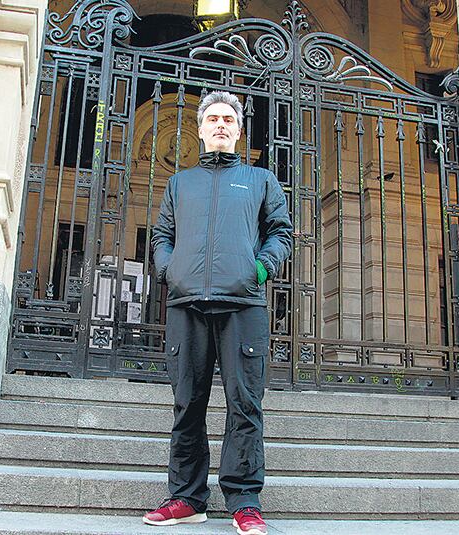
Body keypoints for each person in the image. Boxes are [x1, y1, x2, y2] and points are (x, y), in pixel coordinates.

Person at [143, 91, 293, 535]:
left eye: (229, 119)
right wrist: (169, 269)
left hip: (242, 304)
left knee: (244, 404)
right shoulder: (180, 183)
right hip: (186, 305)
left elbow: (281, 233)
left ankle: (244, 501)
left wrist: (260, 268)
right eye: (213, 119)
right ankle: (187, 498)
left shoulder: (260, 179)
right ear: (201, 128)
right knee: (187, 404)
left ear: (239, 129)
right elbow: (161, 235)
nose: (221, 125)